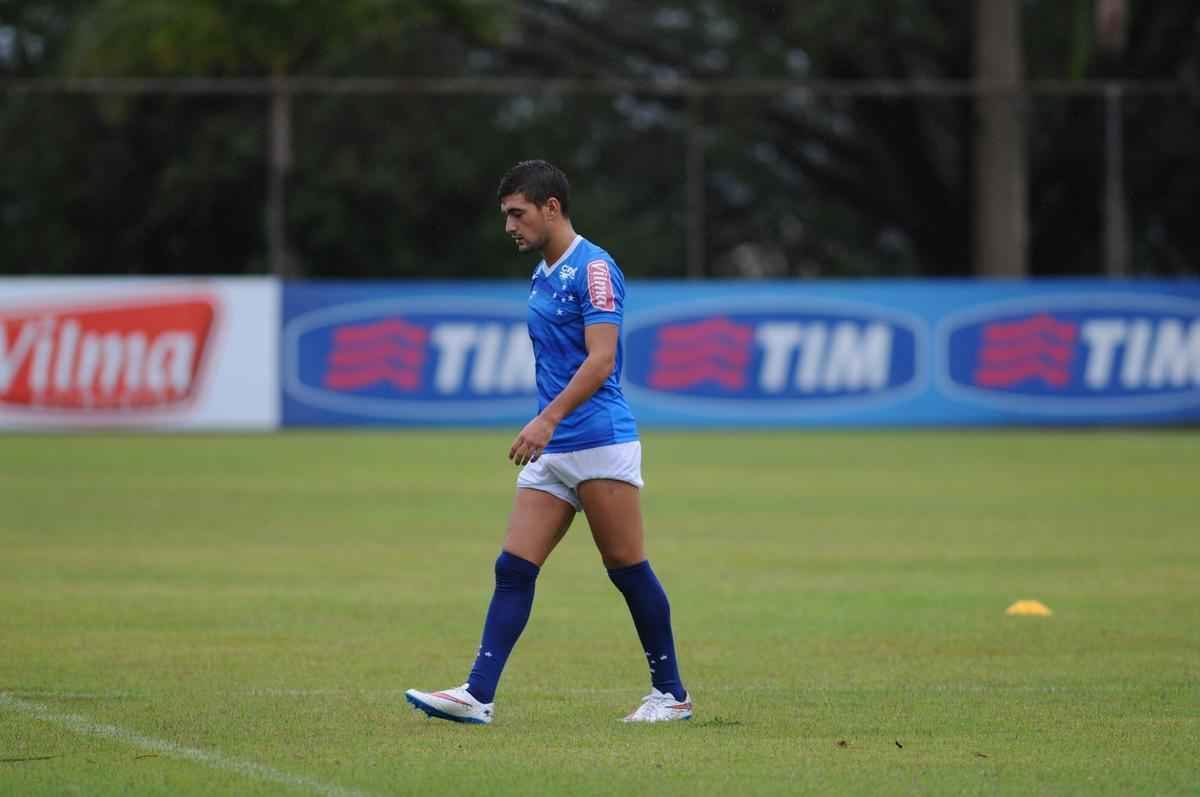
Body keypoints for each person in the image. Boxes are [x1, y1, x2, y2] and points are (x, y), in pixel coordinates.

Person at [405, 160, 691, 725]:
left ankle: (671, 694)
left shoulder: (595, 269)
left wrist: (547, 419)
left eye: (518, 213)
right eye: (506, 215)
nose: (509, 225)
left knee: (627, 569)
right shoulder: (543, 272)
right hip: (555, 448)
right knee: (513, 568)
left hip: (597, 442)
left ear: (551, 208)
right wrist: (548, 427)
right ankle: (476, 695)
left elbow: (602, 359)